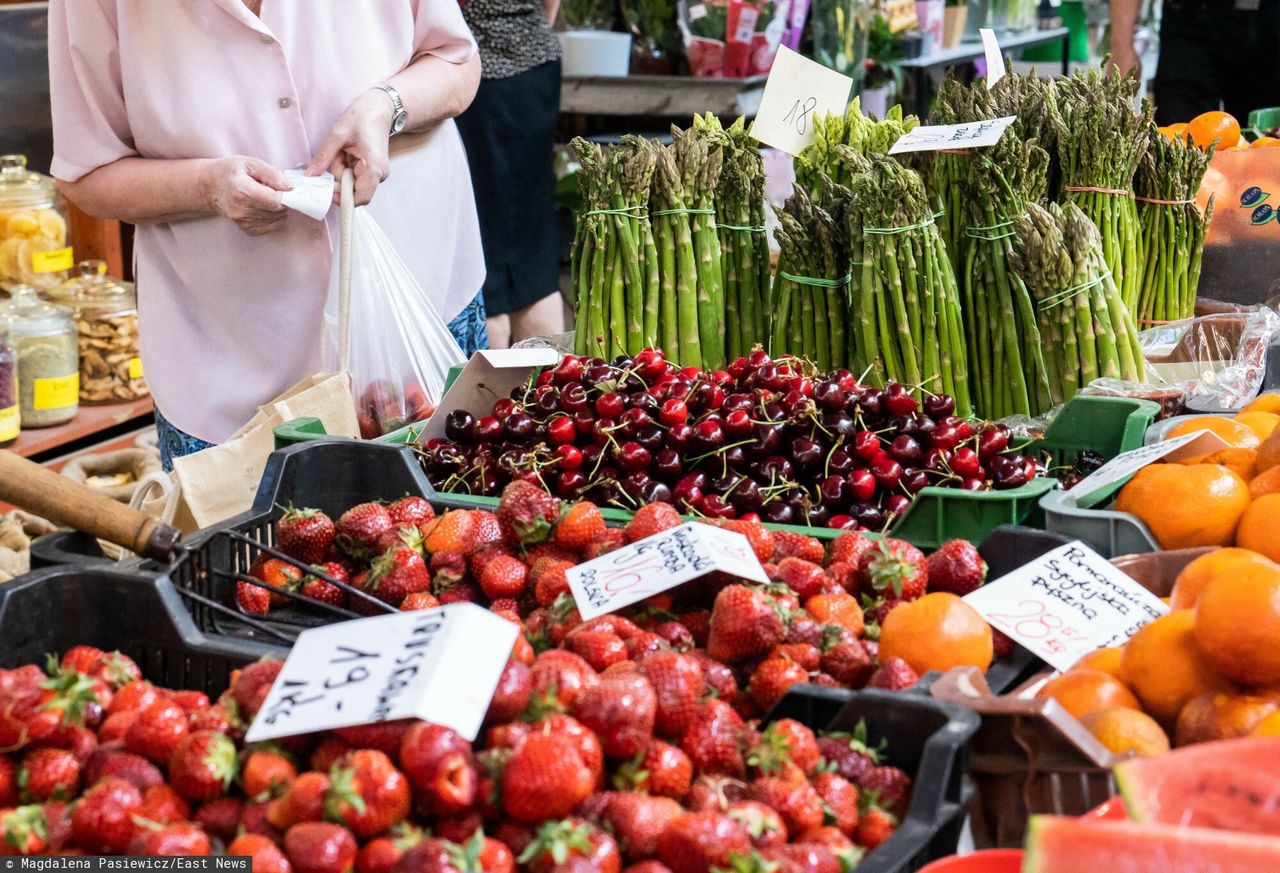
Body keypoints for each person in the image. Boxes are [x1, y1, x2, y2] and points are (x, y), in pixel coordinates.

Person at [47, 0, 487, 470]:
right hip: (227, 359)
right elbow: (88, 171)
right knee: (245, 539)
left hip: (421, 309)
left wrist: (386, 105)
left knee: (456, 521)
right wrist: (205, 188)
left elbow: (456, 63)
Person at [455, 0, 566, 349]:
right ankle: (547, 386)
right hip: (533, 63)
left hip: (466, 73)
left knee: (481, 225)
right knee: (531, 227)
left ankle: (496, 381)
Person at [1110, 0, 1280, 126]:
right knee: (1178, 150)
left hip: (1271, 24)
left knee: (1268, 154)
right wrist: (1122, 47)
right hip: (1188, 25)